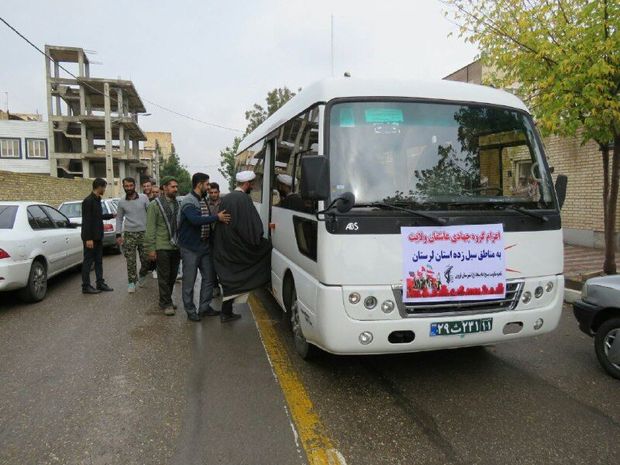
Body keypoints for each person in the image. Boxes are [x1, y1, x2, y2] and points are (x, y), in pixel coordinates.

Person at [213, 171, 272, 322]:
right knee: (266, 250)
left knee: (230, 278)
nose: (252, 186)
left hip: (225, 244)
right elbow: (252, 227)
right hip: (237, 246)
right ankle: (226, 313)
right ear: (246, 184)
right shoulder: (243, 199)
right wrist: (258, 239)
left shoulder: (227, 198)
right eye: (251, 184)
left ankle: (226, 312)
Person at [178, 173, 231, 322]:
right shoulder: (189, 200)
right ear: (199, 184)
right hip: (190, 248)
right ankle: (190, 310)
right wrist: (217, 217)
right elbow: (195, 220)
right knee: (189, 281)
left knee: (209, 278)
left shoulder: (202, 200)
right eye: (207, 185)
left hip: (204, 246)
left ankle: (204, 308)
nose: (209, 187)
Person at [144, 176, 181, 316]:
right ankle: (166, 303)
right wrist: (151, 249)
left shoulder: (177, 204)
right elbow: (150, 228)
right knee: (164, 276)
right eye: (173, 187)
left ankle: (165, 300)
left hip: (175, 246)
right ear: (165, 188)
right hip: (162, 246)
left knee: (172, 276)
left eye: (176, 187)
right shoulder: (155, 205)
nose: (175, 189)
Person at [116, 177, 150, 293]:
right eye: (126, 186)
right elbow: (119, 219)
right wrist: (118, 234)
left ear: (135, 186)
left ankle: (142, 274)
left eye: (131, 185)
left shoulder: (144, 198)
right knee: (130, 260)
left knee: (146, 259)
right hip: (129, 233)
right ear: (123, 187)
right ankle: (131, 282)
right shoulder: (121, 202)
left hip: (144, 233)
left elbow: (150, 214)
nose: (129, 188)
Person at [81, 177, 114, 294]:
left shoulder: (97, 200)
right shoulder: (88, 201)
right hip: (90, 238)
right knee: (88, 262)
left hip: (98, 237)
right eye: (104, 187)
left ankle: (100, 283)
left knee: (99, 261)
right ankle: (86, 286)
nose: (105, 189)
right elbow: (87, 221)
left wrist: (111, 215)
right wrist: (88, 238)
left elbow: (98, 216)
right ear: (99, 187)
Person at [207, 182, 223, 297]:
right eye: (211, 192)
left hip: (222, 238)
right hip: (210, 238)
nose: (213, 194)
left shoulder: (224, 204)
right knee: (211, 264)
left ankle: (226, 285)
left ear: (219, 192)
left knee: (223, 263)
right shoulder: (205, 204)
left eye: (215, 192)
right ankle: (215, 287)